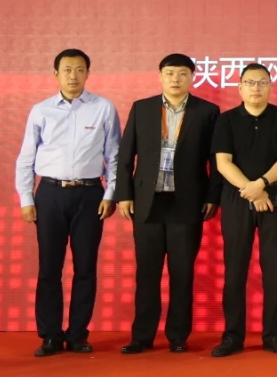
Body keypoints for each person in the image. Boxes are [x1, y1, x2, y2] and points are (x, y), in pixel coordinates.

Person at [15, 49, 120, 357]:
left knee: (85, 267)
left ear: (88, 73)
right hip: (49, 193)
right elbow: (26, 157)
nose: (73, 76)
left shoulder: (103, 108)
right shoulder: (41, 110)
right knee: (49, 267)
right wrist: (26, 197)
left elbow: (114, 155)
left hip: (89, 194)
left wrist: (111, 194)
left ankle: (77, 334)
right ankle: (50, 335)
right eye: (67, 70)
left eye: (79, 69)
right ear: (56, 74)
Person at [115, 53, 221, 354]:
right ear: (160, 76)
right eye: (170, 73)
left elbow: (216, 160)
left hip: (186, 203)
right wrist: (124, 194)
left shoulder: (207, 111)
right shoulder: (143, 108)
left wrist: (212, 197)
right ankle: (142, 337)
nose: (176, 79)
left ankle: (178, 336)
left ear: (192, 77)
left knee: (182, 273)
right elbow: (126, 155)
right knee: (147, 273)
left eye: (182, 73)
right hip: (147, 202)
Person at [210, 63, 277, 357]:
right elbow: (223, 163)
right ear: (240, 87)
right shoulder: (226, 121)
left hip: (276, 197)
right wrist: (252, 191)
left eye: (262, 83)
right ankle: (232, 335)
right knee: (235, 268)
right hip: (237, 198)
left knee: (274, 268)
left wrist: (261, 185)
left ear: (270, 87)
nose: (256, 88)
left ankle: (273, 334)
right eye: (250, 83)